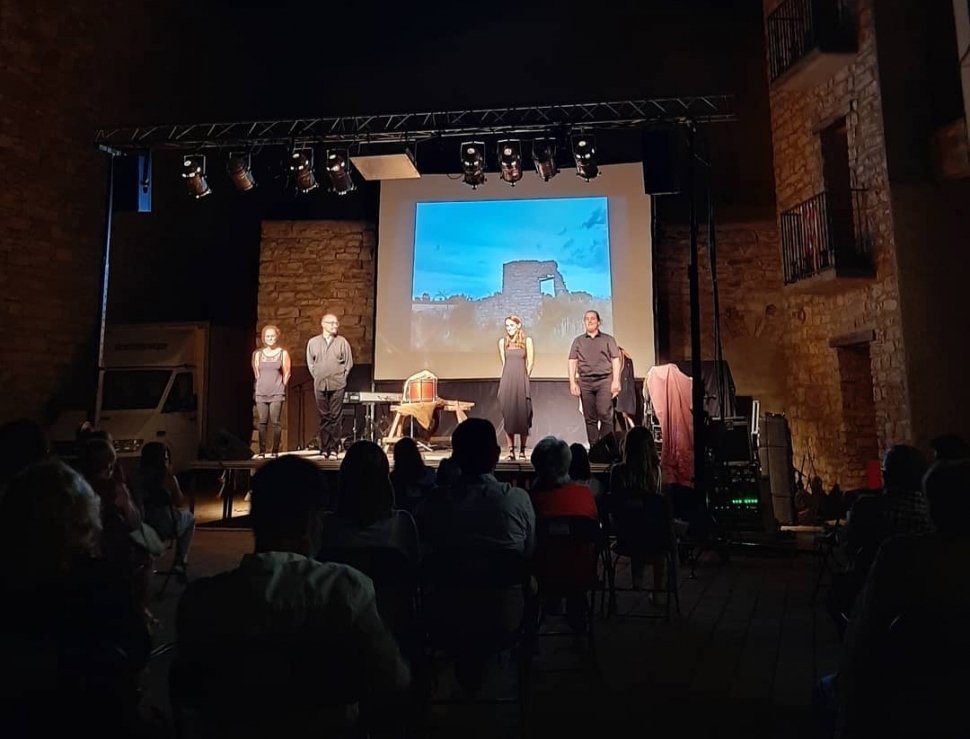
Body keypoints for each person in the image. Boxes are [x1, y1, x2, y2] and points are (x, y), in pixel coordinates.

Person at [175, 455, 411, 736]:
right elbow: (391, 677)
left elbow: (185, 690)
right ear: (312, 521)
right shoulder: (345, 591)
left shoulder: (201, 602)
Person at [0, 461, 151, 734]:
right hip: (99, 718)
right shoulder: (102, 580)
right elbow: (138, 650)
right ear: (83, 518)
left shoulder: (12, 583)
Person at [607, 426, 670, 601]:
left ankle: (637, 579)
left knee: (635, 521)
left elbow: (615, 507)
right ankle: (658, 590)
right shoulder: (658, 473)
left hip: (626, 537)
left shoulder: (617, 472)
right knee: (656, 528)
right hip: (655, 539)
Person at [138, 441, 196, 578]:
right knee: (190, 519)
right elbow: (179, 502)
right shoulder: (168, 478)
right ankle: (179, 562)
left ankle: (148, 561)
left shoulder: (137, 477)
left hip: (143, 524)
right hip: (166, 525)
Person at [568, 310, 622, 445]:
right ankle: (594, 447)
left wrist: (616, 380)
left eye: (592, 318)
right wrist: (572, 382)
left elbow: (615, 359)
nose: (590, 321)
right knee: (590, 417)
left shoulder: (608, 339)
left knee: (605, 414)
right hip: (585, 382)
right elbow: (572, 361)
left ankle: (606, 446)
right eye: (587, 319)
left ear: (598, 322)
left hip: (604, 380)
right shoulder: (578, 341)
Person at [307, 313, 353, 459]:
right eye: (332, 323)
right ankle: (324, 448)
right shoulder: (313, 342)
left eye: (336, 323)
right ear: (323, 324)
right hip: (320, 384)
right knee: (324, 417)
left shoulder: (342, 342)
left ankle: (334, 448)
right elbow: (311, 363)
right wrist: (318, 376)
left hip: (337, 384)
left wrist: (341, 378)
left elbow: (348, 364)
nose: (335, 326)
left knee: (335, 417)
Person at [497, 315, 534, 460]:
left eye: (512, 325)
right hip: (508, 381)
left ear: (518, 325)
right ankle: (511, 451)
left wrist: (525, 378)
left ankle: (522, 451)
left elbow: (530, 362)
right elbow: (504, 363)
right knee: (509, 415)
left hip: (521, 380)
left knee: (523, 415)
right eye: (507, 326)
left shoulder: (527, 341)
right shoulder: (503, 342)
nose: (509, 328)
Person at [252, 324, 291, 458]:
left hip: (276, 392)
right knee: (262, 422)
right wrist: (260, 385)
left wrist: (282, 386)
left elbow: (287, 372)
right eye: (267, 336)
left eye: (272, 336)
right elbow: (256, 372)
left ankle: (275, 450)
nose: (270, 338)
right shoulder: (258, 354)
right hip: (261, 392)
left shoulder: (282, 353)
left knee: (275, 422)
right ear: (264, 338)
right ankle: (262, 450)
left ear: (276, 337)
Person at [614, 347, 637, 430]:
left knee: (626, 414)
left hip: (625, 392)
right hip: (621, 392)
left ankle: (634, 431)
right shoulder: (625, 362)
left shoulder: (627, 362)